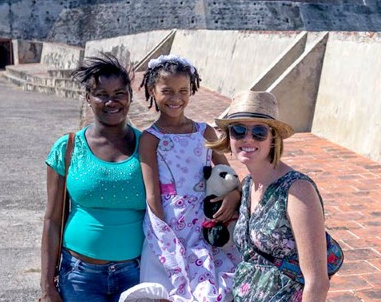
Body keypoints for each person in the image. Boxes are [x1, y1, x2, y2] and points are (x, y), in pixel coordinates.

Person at [39, 53, 146, 302]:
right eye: (102, 94)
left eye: (119, 93)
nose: (112, 101)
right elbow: (52, 220)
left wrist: (232, 192)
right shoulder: (68, 148)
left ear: (130, 95)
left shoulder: (149, 147)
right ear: (88, 98)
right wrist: (46, 286)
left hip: (138, 274)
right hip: (79, 277)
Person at [208, 91, 330, 301]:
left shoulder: (297, 190)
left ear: (273, 138)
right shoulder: (248, 186)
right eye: (238, 130)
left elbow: (317, 283)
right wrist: (235, 195)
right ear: (229, 137)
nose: (247, 138)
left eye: (258, 132)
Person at [137, 55, 241, 302]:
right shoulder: (151, 139)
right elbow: (152, 195)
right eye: (167, 91)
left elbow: (228, 175)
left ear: (192, 90)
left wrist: (235, 194)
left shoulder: (204, 131)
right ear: (152, 90)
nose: (176, 98)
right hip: (171, 225)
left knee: (215, 284)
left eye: (183, 90)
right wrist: (166, 237)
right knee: (175, 286)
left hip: (206, 220)